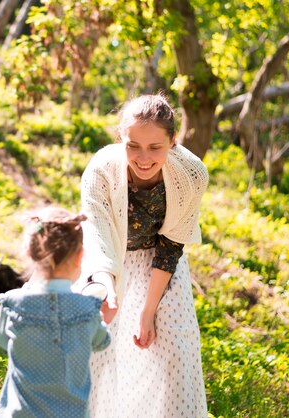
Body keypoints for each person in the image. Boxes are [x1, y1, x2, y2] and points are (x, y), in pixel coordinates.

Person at [79, 94, 209, 417]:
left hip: (161, 262)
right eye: (133, 145)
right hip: (109, 261)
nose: (144, 157)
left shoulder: (191, 174)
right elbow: (98, 236)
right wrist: (107, 290)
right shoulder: (100, 171)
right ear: (120, 138)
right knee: (99, 343)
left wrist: (148, 309)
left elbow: (171, 245)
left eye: (155, 147)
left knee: (176, 348)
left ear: (173, 141)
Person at [0, 207, 111, 418]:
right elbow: (101, 342)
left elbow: (2, 339)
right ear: (80, 257)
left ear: (30, 254)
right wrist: (104, 319)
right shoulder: (87, 309)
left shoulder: (13, 304)